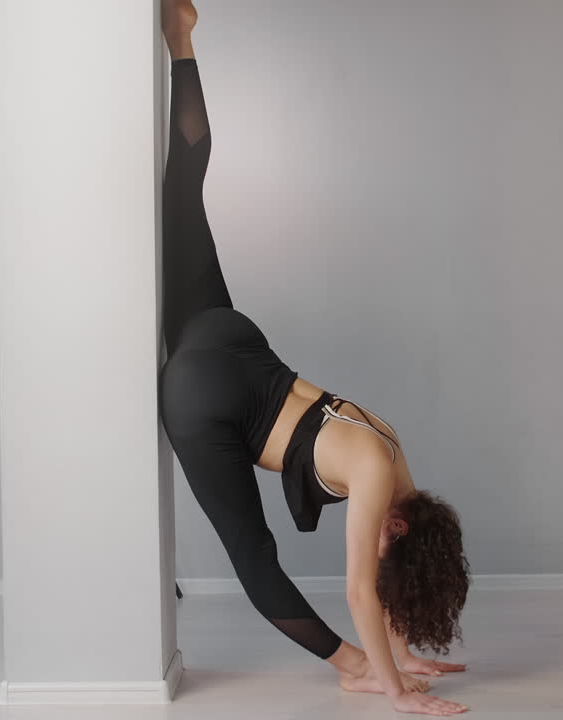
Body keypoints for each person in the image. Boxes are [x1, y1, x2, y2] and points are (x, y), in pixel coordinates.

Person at [159, 2, 470, 715]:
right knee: (254, 557)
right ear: (400, 528)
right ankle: (353, 668)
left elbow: (384, 578)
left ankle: (181, 43)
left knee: (184, 191)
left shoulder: (390, 455)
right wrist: (395, 687)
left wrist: (406, 650)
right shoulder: (369, 481)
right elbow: (364, 588)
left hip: (232, 337)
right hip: (202, 396)